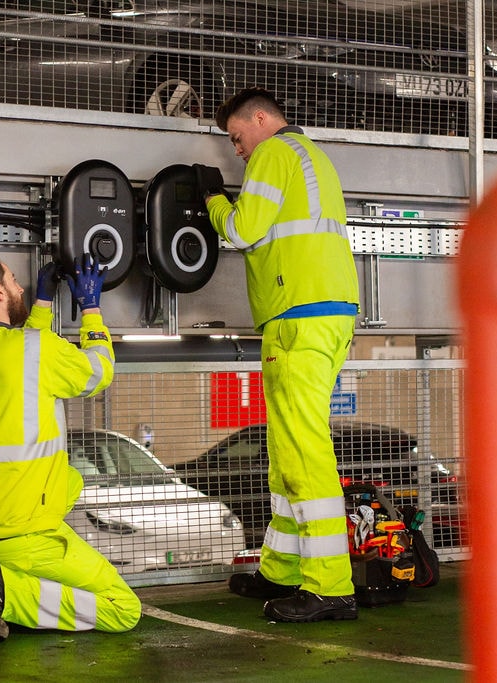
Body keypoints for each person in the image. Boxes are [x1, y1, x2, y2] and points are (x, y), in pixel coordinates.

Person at [193, 87, 360, 623]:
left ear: (261, 119)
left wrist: (214, 200)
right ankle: (281, 569)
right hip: (325, 312)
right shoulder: (314, 158)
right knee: (288, 448)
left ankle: (330, 586)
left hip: (297, 315)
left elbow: (244, 230)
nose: (238, 151)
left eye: (237, 138)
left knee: (303, 451)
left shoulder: (273, 154)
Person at [0, 248, 142, 641]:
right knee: (123, 610)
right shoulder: (33, 350)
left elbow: (23, 353)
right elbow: (98, 372)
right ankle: (5, 592)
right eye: (15, 281)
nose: (21, 287)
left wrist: (43, 303)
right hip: (20, 528)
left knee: (71, 479)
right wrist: (92, 309)